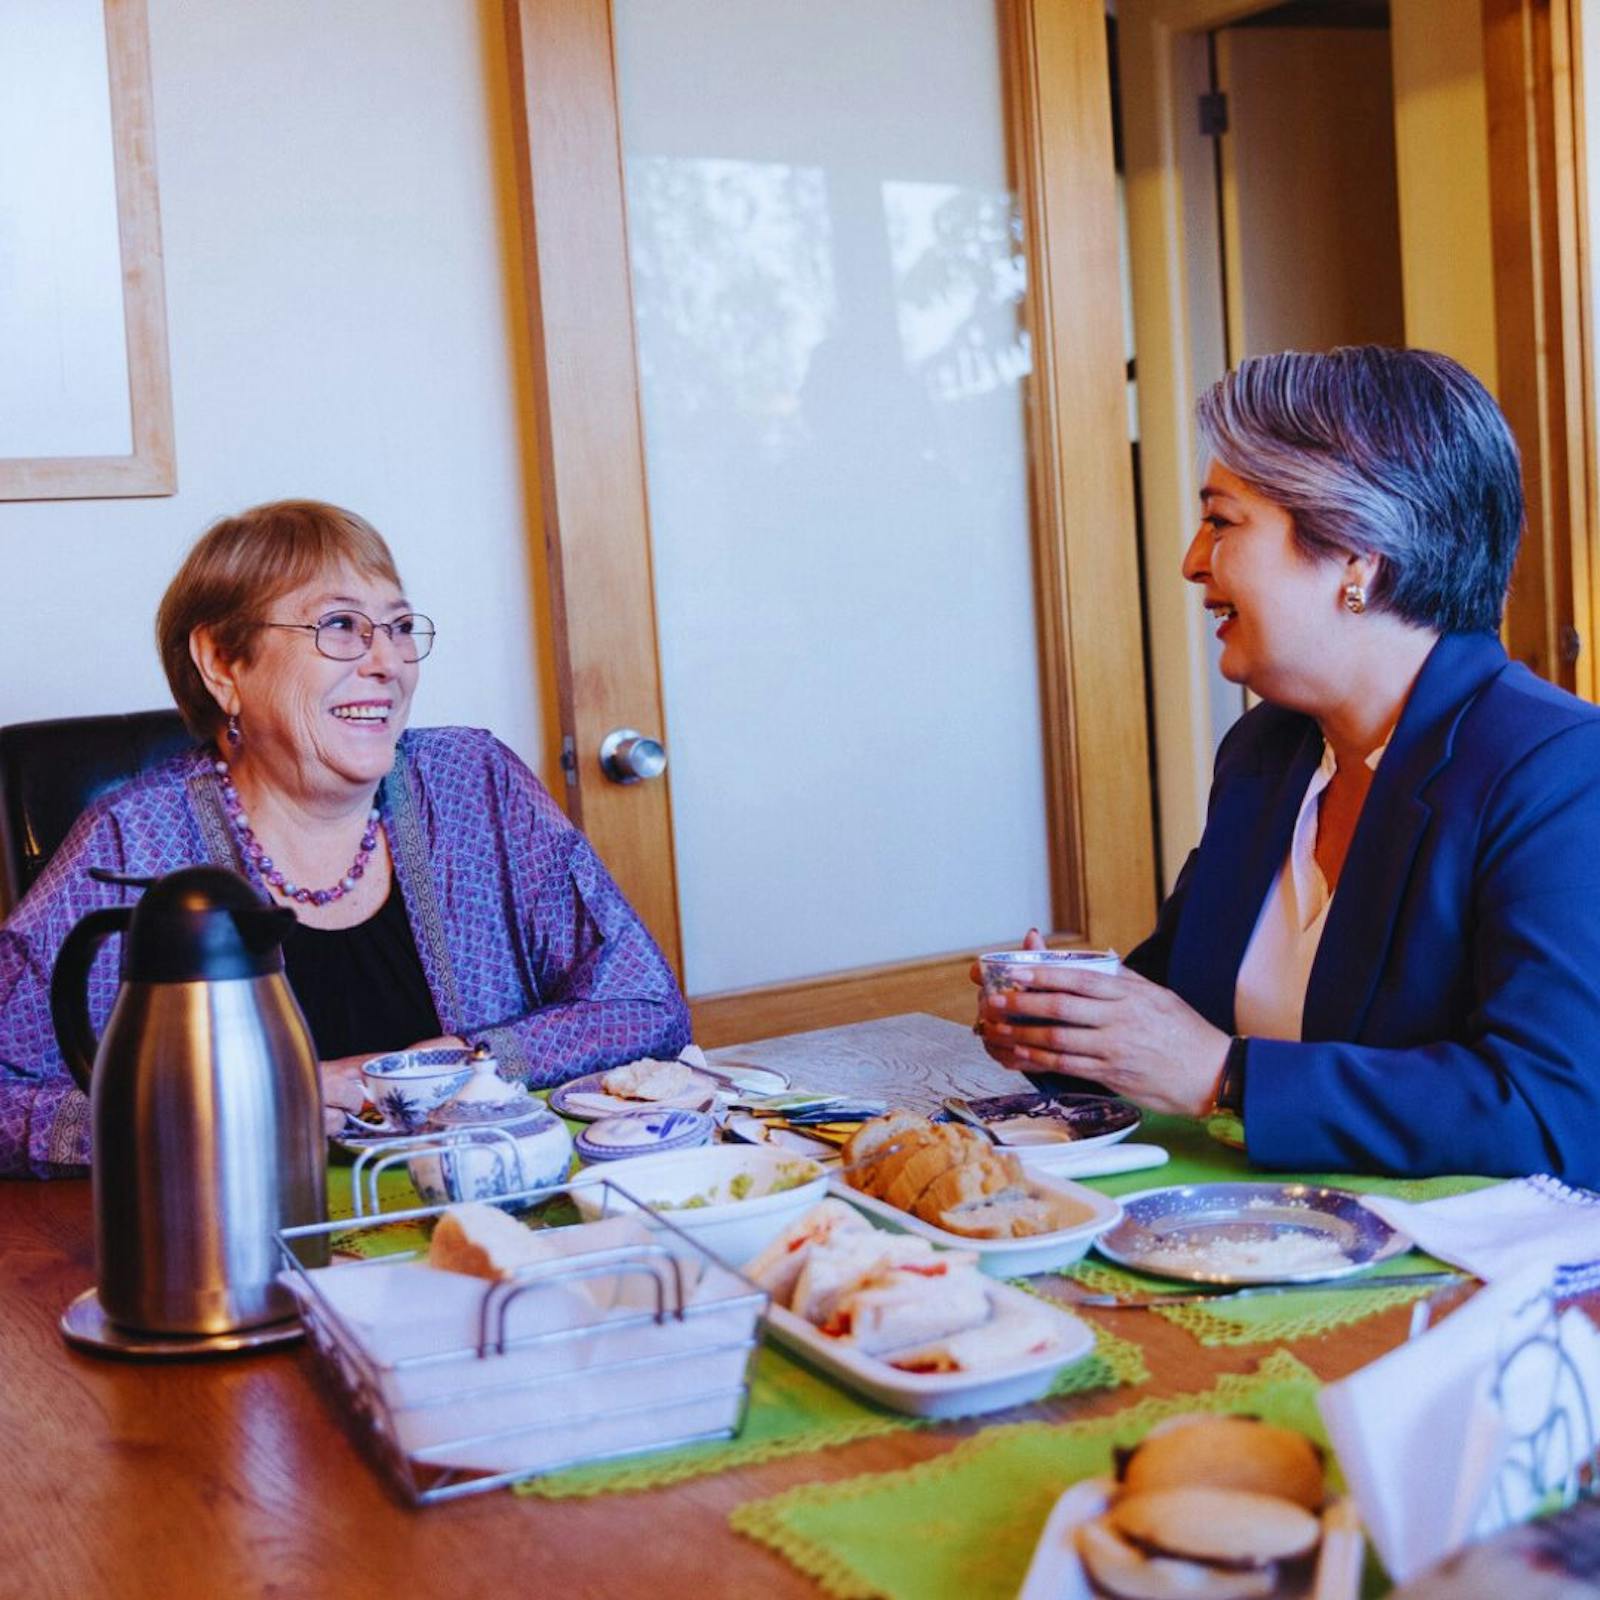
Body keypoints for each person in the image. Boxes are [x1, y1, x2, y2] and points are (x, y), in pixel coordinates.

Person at [979, 345, 1600, 1188]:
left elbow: (1552, 1111)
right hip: (1249, 1238)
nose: (1193, 561)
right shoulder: (1266, 751)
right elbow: (1179, 1010)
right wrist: (1065, 1026)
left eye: (1223, 521)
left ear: (1357, 558)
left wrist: (1223, 1078)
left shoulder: (1559, 769)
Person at [0, 500, 690, 1177]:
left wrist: (467, 1061)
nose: (387, 661)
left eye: (397, 627)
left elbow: (646, 1005)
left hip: (488, 1217)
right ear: (220, 661)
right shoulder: (133, 842)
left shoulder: (475, 785)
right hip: (240, 1251)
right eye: (340, 625)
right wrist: (240, 1109)